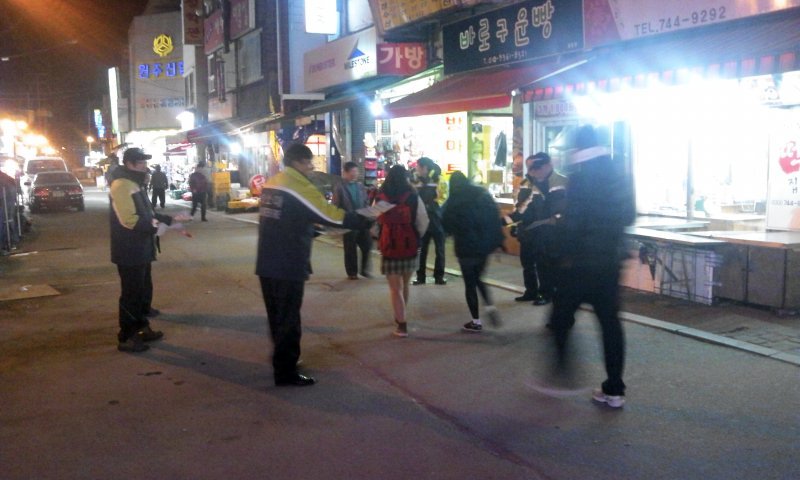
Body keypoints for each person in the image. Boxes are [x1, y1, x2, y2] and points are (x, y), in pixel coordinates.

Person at [256, 143, 367, 387]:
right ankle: (286, 372)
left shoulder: (273, 183)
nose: (311, 167)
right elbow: (330, 214)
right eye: (309, 163)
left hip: (267, 261)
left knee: (277, 317)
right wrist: (363, 220)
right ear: (298, 162)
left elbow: (281, 220)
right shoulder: (299, 186)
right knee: (289, 319)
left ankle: (282, 363)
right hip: (288, 262)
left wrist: (309, 230)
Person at [548, 125, 635, 408]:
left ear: (577, 149)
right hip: (609, 262)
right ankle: (615, 389)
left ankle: (561, 374)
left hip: (579, 264)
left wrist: (561, 254)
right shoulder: (619, 173)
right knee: (610, 324)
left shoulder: (580, 177)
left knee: (560, 318)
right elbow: (629, 215)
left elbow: (573, 224)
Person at [110, 148, 191, 353]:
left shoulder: (135, 183)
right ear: (129, 164)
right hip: (129, 250)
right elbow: (128, 220)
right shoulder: (121, 185)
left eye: (145, 163)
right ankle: (126, 336)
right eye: (141, 163)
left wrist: (171, 220)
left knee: (142, 292)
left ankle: (142, 327)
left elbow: (149, 213)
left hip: (141, 247)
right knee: (131, 294)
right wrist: (157, 227)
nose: (145, 167)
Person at [441, 171, 505, 333]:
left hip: (465, 247)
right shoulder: (482, 194)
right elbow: (494, 218)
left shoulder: (454, 199)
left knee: (470, 283)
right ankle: (489, 306)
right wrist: (498, 242)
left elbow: (445, 222)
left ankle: (476, 321)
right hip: (484, 246)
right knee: (478, 278)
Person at [505, 152, 567, 306]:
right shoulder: (526, 182)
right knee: (527, 263)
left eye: (536, 167)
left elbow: (559, 209)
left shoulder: (560, 182)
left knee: (544, 264)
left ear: (548, 165)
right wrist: (511, 223)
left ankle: (546, 293)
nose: (532, 171)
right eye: (529, 167)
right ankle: (531, 291)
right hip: (528, 230)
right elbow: (520, 208)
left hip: (549, 231)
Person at [375, 165, 429, 338]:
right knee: (405, 285)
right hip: (409, 246)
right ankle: (401, 317)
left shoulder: (381, 196)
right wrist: (416, 236)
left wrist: (380, 236)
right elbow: (423, 220)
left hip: (389, 248)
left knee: (394, 289)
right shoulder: (412, 195)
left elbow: (374, 220)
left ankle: (401, 323)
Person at [332, 161, 373, 280]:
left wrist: (368, 213)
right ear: (345, 173)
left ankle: (364, 270)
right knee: (350, 248)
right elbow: (336, 204)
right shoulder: (339, 187)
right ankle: (352, 272)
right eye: (352, 171)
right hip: (349, 221)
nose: (354, 174)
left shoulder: (360, 186)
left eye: (356, 171)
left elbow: (366, 201)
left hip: (362, 219)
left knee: (367, 245)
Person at [413, 157, 446, 285]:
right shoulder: (416, 180)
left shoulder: (439, 179)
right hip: (422, 220)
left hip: (436, 219)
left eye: (418, 167)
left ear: (424, 168)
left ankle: (439, 276)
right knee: (421, 250)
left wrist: (431, 207)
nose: (416, 169)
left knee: (440, 249)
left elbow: (444, 198)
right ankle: (420, 276)